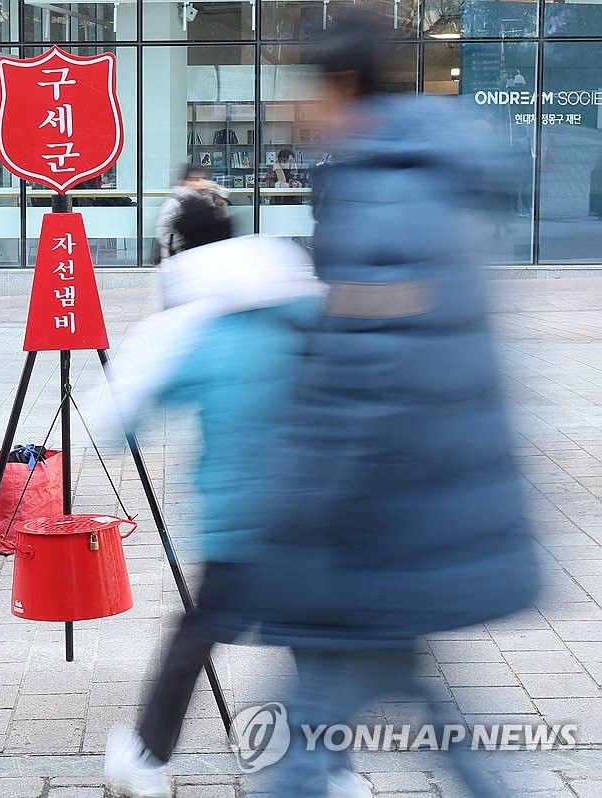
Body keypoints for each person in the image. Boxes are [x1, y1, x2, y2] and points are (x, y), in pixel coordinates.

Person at [233, 11, 539, 798]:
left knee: (303, 733)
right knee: (425, 703)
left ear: (339, 86)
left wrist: (291, 517)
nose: (294, 109)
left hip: (378, 523)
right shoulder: (424, 176)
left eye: (299, 88)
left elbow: (359, 383)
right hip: (421, 509)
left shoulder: (385, 195)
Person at [103, 195, 329, 798]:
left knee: (200, 634)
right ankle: (331, 768)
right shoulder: (302, 309)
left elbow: (125, 414)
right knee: (310, 636)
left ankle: (146, 755)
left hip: (236, 517)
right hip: (306, 508)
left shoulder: (200, 331)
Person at [153, 163, 229, 263]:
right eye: (194, 179)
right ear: (185, 181)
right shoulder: (175, 201)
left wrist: (220, 203)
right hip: (177, 258)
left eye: (201, 179)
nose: (198, 184)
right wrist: (184, 242)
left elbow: (220, 223)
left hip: (201, 257)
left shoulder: (206, 200)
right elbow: (162, 230)